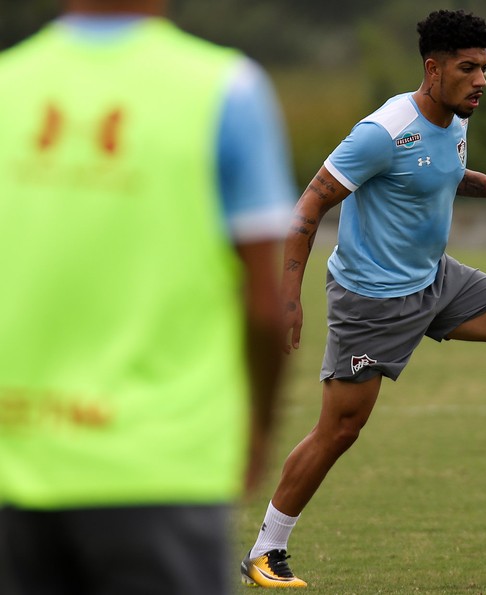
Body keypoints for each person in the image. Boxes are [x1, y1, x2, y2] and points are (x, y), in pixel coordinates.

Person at [240, 9, 486, 588]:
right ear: (433, 68)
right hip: (372, 299)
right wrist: (287, 297)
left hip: (435, 279)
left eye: (485, 68)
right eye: (467, 68)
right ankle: (266, 549)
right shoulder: (381, 132)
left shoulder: (456, 115)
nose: (481, 80)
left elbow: (438, 169)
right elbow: (308, 206)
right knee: (340, 430)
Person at [0, 1, 295, 594]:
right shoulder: (227, 90)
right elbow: (266, 308)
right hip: (161, 466)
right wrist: (258, 429)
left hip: (16, 460)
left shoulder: (10, 83)